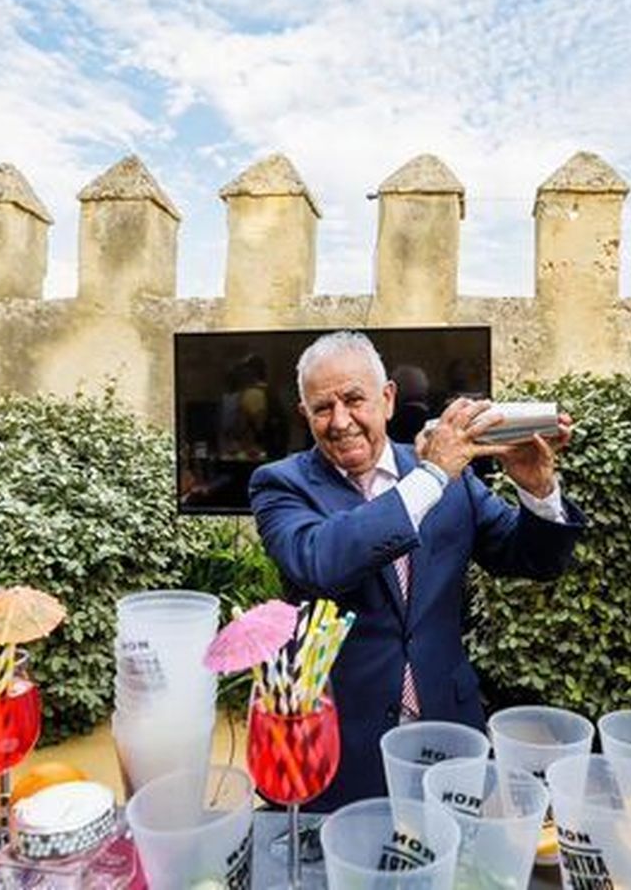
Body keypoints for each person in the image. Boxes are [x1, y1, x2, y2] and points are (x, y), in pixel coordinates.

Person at [249, 330, 584, 810]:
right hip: (339, 740)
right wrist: (430, 478)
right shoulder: (280, 485)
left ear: (387, 399)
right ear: (305, 416)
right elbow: (321, 561)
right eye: (323, 408)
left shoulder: (454, 474)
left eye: (353, 400)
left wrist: (538, 490)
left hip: (448, 728)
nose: (340, 421)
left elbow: (533, 559)